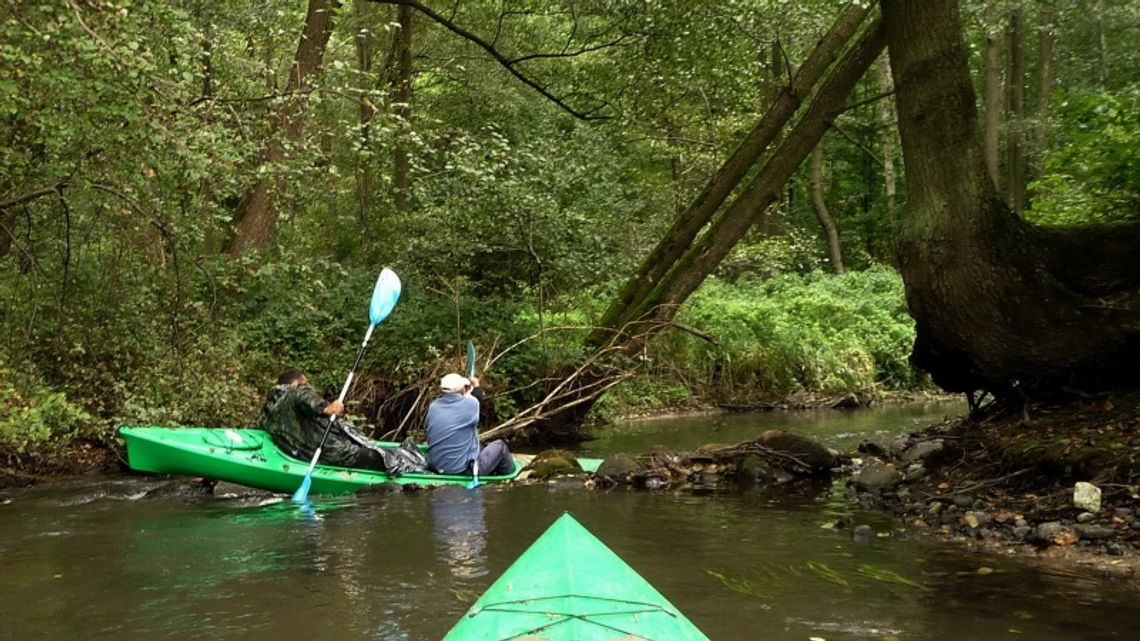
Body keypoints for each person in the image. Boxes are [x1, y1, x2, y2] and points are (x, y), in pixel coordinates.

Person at [254, 367, 388, 471]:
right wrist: (328, 408)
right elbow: (306, 397)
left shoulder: (271, 404)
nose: (307, 385)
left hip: (297, 452)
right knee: (375, 456)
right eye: (304, 382)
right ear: (296, 382)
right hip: (324, 453)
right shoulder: (297, 391)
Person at [424, 372, 514, 476]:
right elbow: (476, 400)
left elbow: (427, 426)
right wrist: (476, 386)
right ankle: (510, 475)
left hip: (436, 467)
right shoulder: (471, 404)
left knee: (479, 445)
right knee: (500, 446)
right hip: (463, 470)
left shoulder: (433, 406)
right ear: (462, 389)